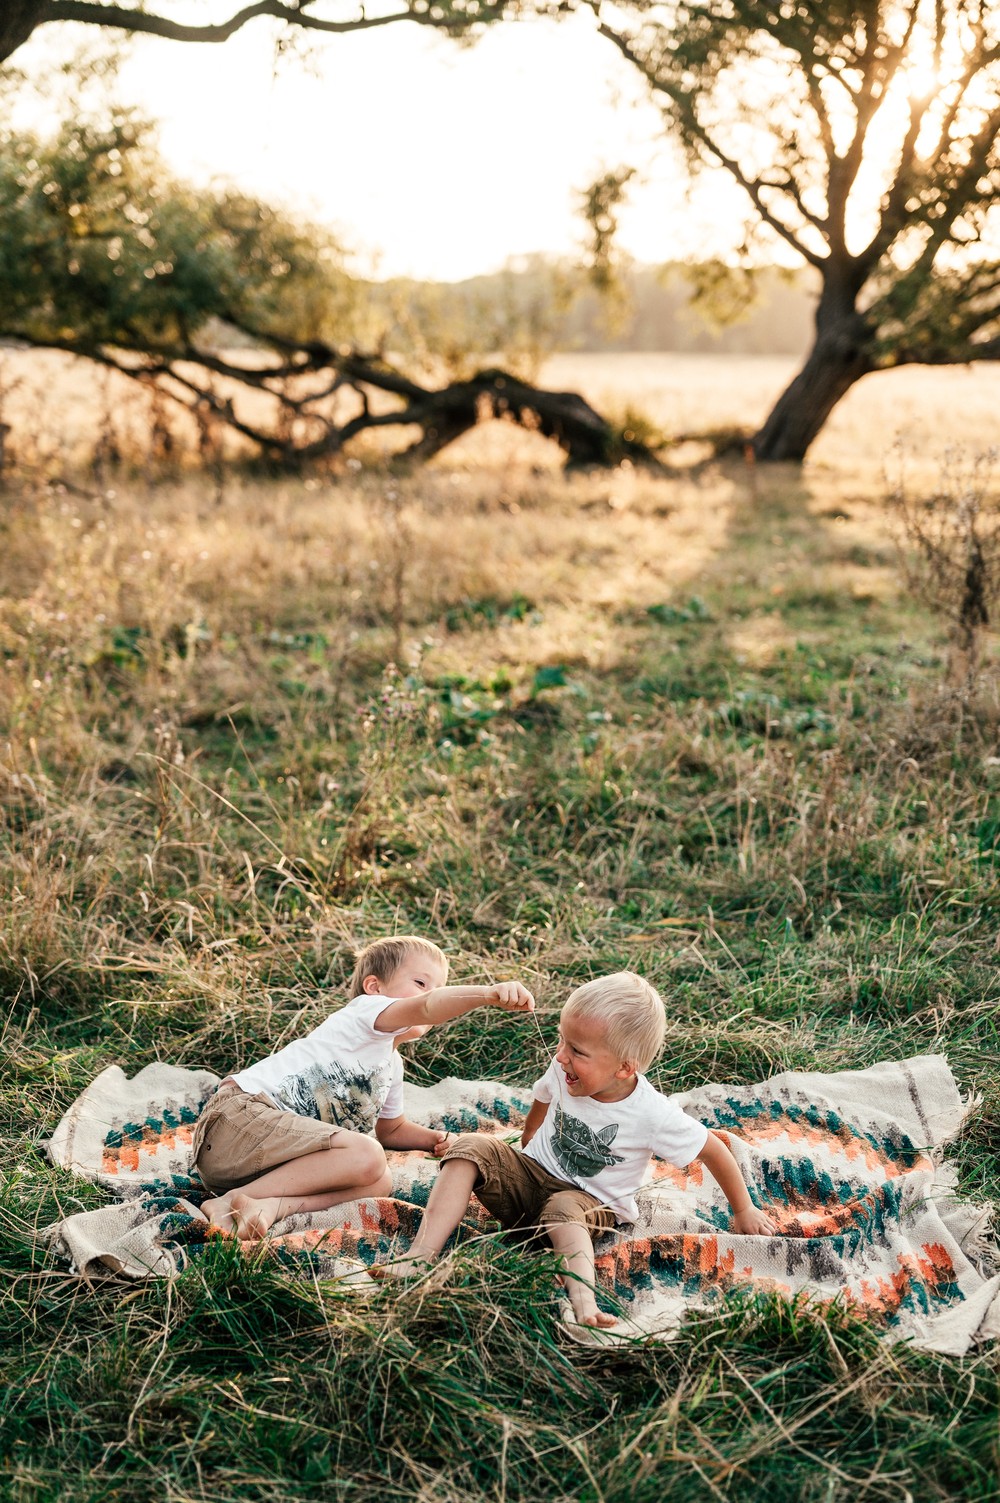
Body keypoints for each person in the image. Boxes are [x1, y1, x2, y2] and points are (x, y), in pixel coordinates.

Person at [372, 970, 776, 1328]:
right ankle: (419, 1257)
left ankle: (584, 1303)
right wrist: (529, 1137)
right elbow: (543, 1097)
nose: (561, 1056)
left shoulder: (652, 1114)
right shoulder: (565, 1068)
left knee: (563, 1208)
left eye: (578, 1051)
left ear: (624, 1068)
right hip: (530, 1181)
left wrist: (744, 1210)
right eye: (562, 1041)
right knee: (470, 1146)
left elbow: (713, 1149)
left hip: (589, 1206)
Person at [192, 935, 535, 1240]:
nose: (431, 996)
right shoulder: (365, 1013)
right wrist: (487, 994)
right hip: (239, 1121)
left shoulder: (391, 1064)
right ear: (374, 987)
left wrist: (436, 1139)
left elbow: (391, 1130)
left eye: (438, 987)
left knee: (378, 1179)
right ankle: (233, 1202)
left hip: (267, 1165)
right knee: (367, 1155)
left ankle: (264, 1203)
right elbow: (429, 1007)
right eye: (420, 983)